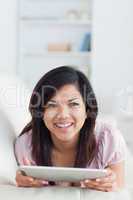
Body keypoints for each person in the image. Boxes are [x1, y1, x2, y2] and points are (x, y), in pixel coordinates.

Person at [14, 66, 126, 191]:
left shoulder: (109, 138)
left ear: (87, 109)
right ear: (41, 112)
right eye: (52, 105)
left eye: (73, 104)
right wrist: (23, 183)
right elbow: (23, 183)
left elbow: (119, 187)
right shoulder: (26, 145)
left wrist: (111, 183)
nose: (63, 115)